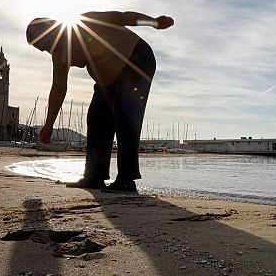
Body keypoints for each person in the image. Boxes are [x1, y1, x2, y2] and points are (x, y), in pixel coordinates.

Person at [26, 11, 174, 192]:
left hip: (136, 61)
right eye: (40, 48)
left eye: (44, 44)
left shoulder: (87, 22)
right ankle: (94, 176)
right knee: (96, 120)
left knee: (126, 115)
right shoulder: (59, 55)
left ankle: (127, 179)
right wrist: (49, 124)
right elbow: (58, 88)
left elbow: (124, 17)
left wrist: (153, 22)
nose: (45, 50)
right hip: (106, 81)